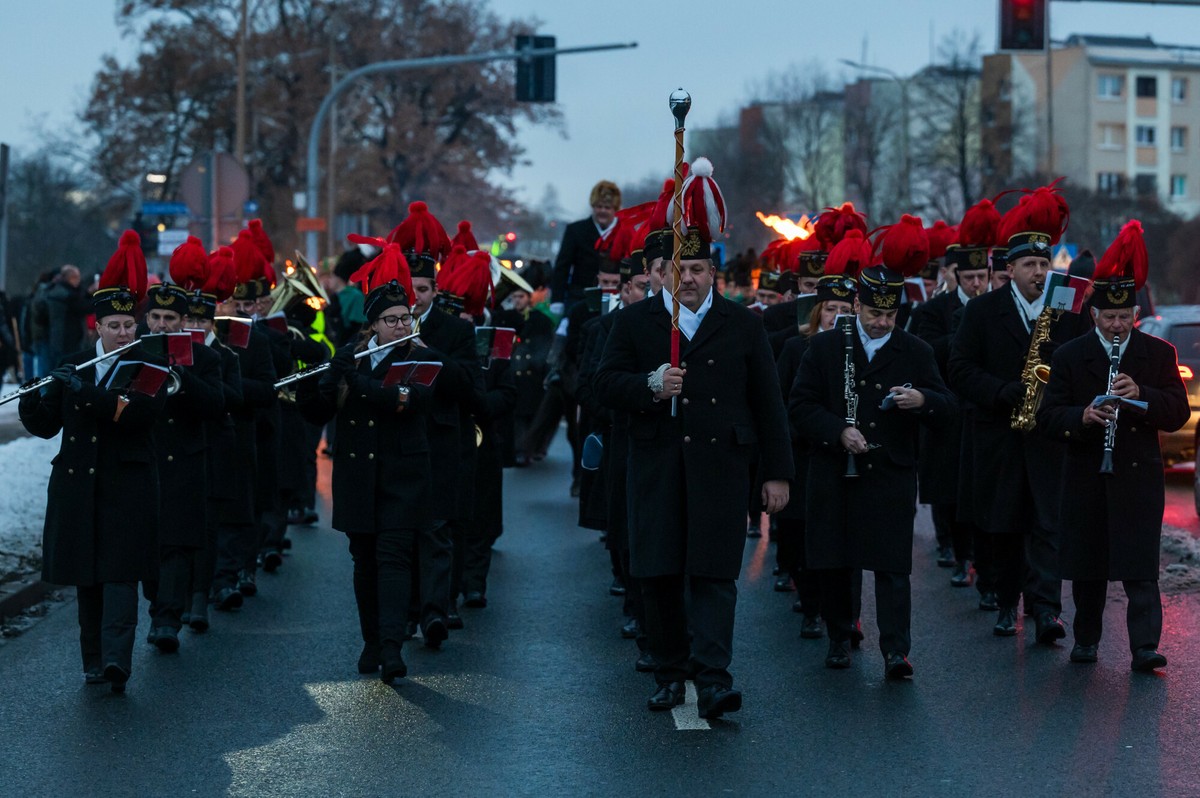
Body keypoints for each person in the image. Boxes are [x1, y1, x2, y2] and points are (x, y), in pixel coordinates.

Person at [595, 158, 792, 719]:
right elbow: (605, 385)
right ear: (665, 272)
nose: (689, 278)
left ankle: (713, 678)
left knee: (713, 575)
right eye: (680, 268)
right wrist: (649, 385)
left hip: (720, 469)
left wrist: (776, 472)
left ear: (714, 273)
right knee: (657, 574)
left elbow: (768, 403)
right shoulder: (633, 325)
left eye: (700, 269)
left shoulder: (743, 324)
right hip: (656, 465)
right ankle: (669, 669)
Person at [790, 216, 955, 678]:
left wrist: (922, 400)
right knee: (838, 561)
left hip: (890, 470)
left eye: (890, 316)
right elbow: (800, 406)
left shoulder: (915, 351)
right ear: (857, 304)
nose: (882, 324)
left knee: (891, 566)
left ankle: (896, 649)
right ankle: (840, 635)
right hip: (835, 467)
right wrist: (837, 431)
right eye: (873, 314)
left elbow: (947, 406)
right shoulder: (824, 348)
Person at [19, 231, 167, 694]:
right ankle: (93, 660)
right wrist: (33, 398)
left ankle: (118, 660)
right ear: (97, 328)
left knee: (121, 575)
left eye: (129, 326)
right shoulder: (75, 362)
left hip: (127, 484)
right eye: (115, 327)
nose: (124, 333)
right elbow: (47, 425)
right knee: (88, 578)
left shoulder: (149, 365)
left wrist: (92, 395)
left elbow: (139, 415)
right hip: (79, 485)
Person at [1037, 220, 1188, 672]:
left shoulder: (1158, 355)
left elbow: (1176, 411)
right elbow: (1048, 416)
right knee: (1088, 566)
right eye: (1111, 318)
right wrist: (1083, 416)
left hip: (1138, 475)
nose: (1119, 325)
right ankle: (1086, 639)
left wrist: (1139, 397)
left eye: (1126, 318)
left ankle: (1144, 646)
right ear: (1095, 317)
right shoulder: (1069, 356)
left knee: (1141, 567)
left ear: (1135, 317)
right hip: (1086, 472)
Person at [949, 183, 1092, 641]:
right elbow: (960, 369)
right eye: (1029, 264)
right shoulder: (983, 311)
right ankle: (1007, 603)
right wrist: (1001, 391)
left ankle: (1047, 611)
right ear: (1009, 269)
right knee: (1006, 528)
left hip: (1049, 437)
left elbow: (1080, 364)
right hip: (1001, 436)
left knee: (1048, 525)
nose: (1037, 271)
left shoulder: (1065, 310)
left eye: (1044, 263)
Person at [296, 242, 436, 683]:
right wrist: (316, 378)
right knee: (364, 559)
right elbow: (318, 413)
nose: (400, 326)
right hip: (357, 476)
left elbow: (406, 401)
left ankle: (393, 646)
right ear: (373, 324)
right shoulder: (347, 354)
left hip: (402, 474)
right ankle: (371, 640)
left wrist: (355, 381)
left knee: (394, 557)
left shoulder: (420, 356)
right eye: (391, 320)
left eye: (404, 319)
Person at [386, 202, 484, 640]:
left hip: (443, 442)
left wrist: (426, 351)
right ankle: (406, 611)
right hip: (400, 441)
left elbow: (467, 384)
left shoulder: (456, 330)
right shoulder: (382, 326)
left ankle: (435, 611)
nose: (416, 296)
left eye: (423, 289)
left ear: (433, 289)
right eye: (410, 287)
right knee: (403, 533)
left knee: (439, 531)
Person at [773, 230, 862, 639]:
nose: (837, 316)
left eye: (845, 308)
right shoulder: (796, 348)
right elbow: (784, 403)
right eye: (830, 309)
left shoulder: (861, 352)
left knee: (847, 543)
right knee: (804, 540)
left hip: (844, 458)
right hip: (804, 456)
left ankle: (847, 617)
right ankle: (811, 607)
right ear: (818, 312)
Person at [909, 199, 999, 587]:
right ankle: (961, 555)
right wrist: (965, 330)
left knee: (986, 495)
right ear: (955, 276)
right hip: (948, 413)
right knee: (953, 493)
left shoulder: (997, 307)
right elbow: (928, 353)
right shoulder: (933, 311)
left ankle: (987, 566)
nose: (977, 284)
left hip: (987, 411)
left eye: (982, 276)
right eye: (969, 277)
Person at [550, 180, 621, 313]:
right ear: (593, 207)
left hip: (616, 297)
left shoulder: (624, 231)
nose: (603, 211)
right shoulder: (575, 230)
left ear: (615, 209)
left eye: (607, 207)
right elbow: (562, 267)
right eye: (599, 207)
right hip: (579, 297)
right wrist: (557, 299)